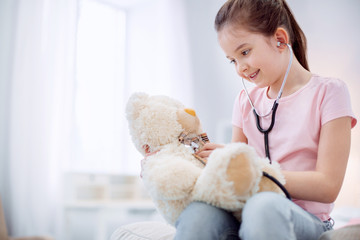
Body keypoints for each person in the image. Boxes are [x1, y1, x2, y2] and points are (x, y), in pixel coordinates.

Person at [173, 0, 357, 239]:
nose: (240, 68)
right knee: (198, 213)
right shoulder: (244, 100)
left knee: (264, 207)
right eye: (233, 60)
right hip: (247, 211)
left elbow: (328, 187)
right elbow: (238, 176)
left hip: (305, 219)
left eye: (245, 52)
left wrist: (255, 169)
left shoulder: (330, 92)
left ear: (280, 39)